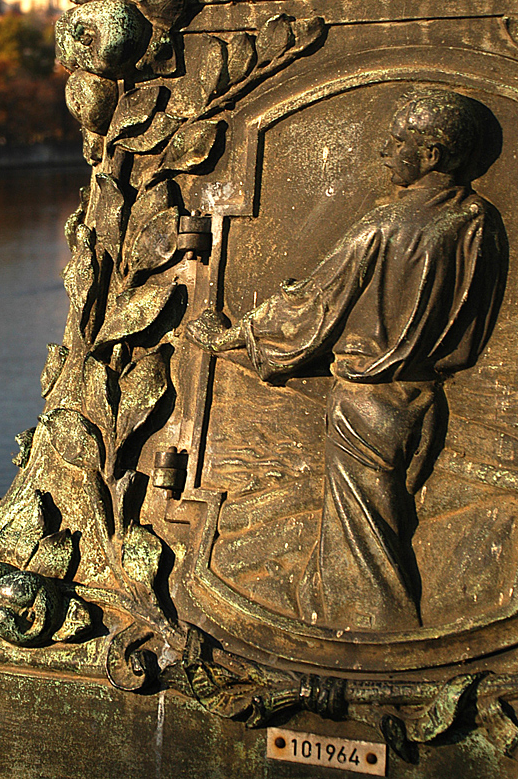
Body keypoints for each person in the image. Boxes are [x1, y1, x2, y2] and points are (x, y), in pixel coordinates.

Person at [186, 89, 505, 631]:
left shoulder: (383, 225)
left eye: (398, 141)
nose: (384, 149)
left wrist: (230, 337)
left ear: (431, 155)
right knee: (381, 520)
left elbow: (312, 307)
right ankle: (334, 605)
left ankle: (374, 628)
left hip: (365, 403)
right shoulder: (479, 220)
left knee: (362, 538)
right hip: (422, 398)